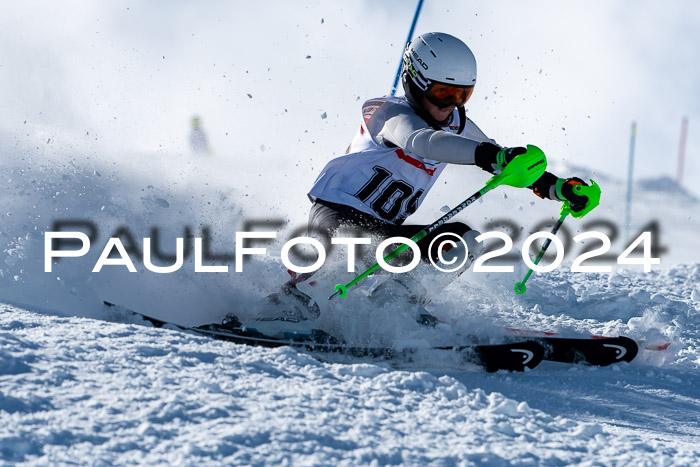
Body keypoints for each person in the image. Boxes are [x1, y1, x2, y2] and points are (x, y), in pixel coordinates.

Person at [243, 32, 591, 336]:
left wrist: (555, 187)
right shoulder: (384, 113)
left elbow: (500, 162)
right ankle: (286, 305)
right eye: (442, 93)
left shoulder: (455, 124)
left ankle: (391, 309)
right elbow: (421, 141)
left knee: (463, 241)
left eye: (462, 95)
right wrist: (488, 155)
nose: (451, 106)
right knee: (349, 249)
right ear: (414, 81)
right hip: (335, 217)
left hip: (383, 232)